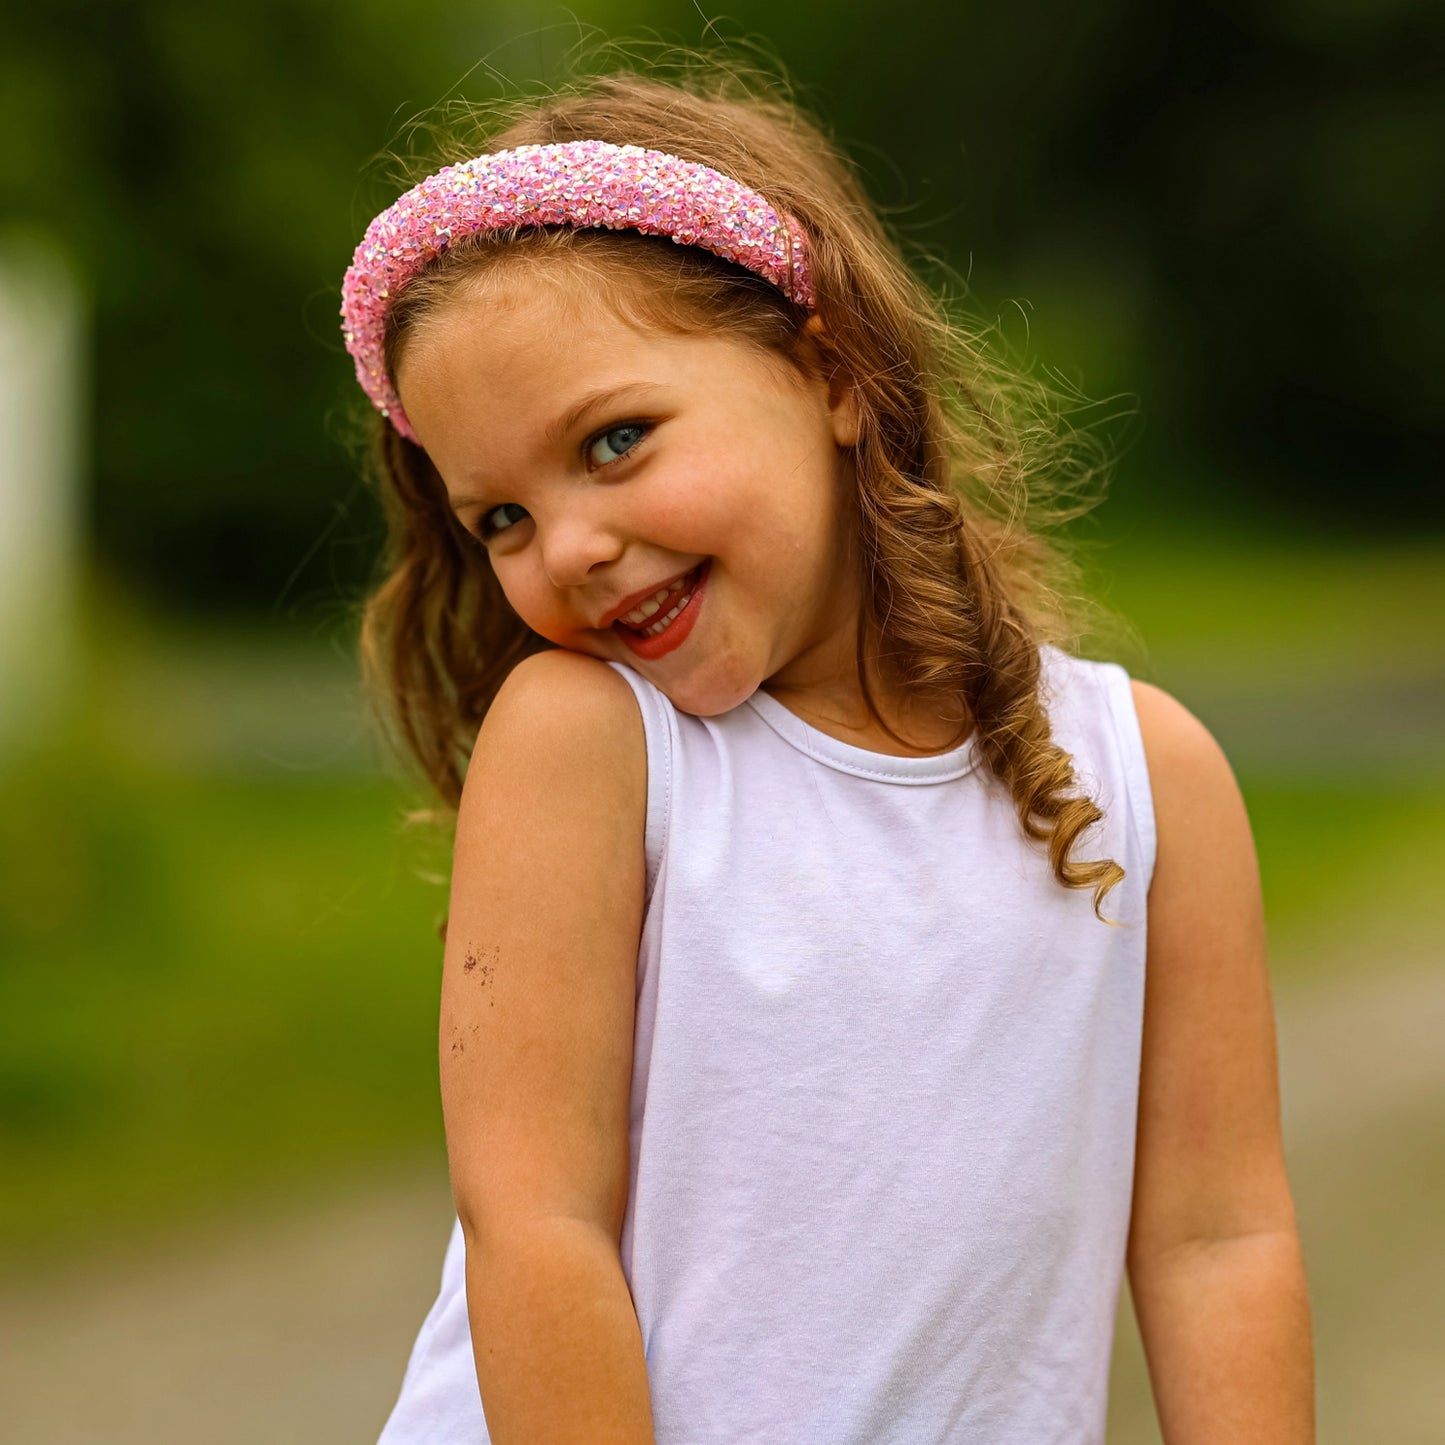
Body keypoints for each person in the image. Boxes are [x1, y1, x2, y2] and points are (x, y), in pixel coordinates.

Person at [339, 59, 1314, 1445]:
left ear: (832, 373)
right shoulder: (591, 744)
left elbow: (1214, 1235)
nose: (567, 547)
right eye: (497, 516)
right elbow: (535, 1223)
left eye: (614, 441)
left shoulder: (1149, 776)